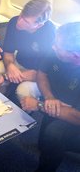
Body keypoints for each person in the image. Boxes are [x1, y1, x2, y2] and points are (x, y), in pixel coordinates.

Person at [20, 22, 80, 171]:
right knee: (44, 141)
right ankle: (46, 148)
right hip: (58, 100)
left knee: (53, 134)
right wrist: (49, 98)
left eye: (57, 47)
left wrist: (39, 105)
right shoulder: (55, 50)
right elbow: (42, 73)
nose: (53, 46)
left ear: (75, 56)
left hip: (75, 115)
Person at [0, 0, 55, 101]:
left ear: (38, 25)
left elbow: (42, 73)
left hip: (38, 72)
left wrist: (6, 76)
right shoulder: (14, 21)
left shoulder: (49, 34)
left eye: (26, 21)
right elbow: (8, 52)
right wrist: (10, 65)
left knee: (23, 91)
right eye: (21, 15)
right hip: (19, 61)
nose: (19, 22)